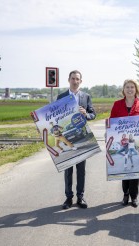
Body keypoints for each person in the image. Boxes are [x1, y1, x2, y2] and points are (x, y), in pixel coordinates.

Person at [57, 70, 96, 210]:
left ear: (81, 81)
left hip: (82, 137)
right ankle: (68, 198)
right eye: (73, 78)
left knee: (81, 169)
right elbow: (55, 117)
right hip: (67, 136)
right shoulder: (61, 96)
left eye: (77, 79)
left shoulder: (86, 96)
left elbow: (93, 114)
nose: (75, 81)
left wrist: (86, 114)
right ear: (69, 80)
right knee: (68, 169)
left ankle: (80, 197)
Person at [109, 79, 139, 207]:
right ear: (124, 90)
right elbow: (112, 122)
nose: (130, 89)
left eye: (132, 87)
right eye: (127, 87)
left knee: (135, 169)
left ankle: (134, 196)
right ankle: (125, 194)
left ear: (136, 89)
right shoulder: (117, 104)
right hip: (122, 142)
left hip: (135, 143)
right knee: (124, 169)